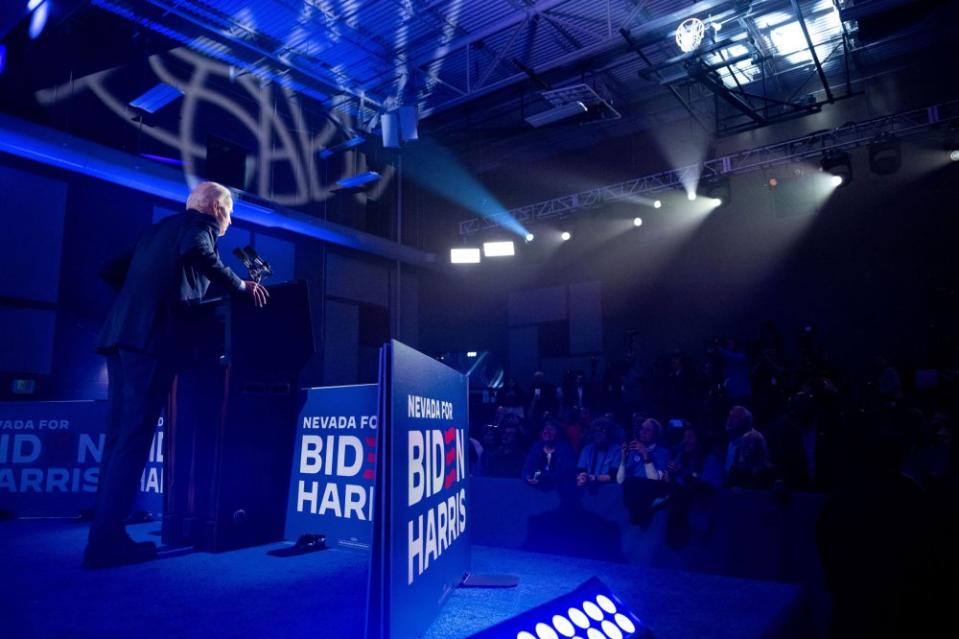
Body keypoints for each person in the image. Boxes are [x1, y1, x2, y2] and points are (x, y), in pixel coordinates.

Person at [85, 182, 268, 569]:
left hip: (120, 338)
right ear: (217, 208)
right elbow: (196, 252)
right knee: (132, 442)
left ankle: (103, 536)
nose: (230, 221)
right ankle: (107, 544)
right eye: (231, 213)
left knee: (119, 441)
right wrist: (239, 284)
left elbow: (110, 269)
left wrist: (143, 298)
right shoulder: (199, 228)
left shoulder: (157, 230)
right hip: (151, 343)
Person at [576, 418, 620, 489]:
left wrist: (594, 478)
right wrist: (581, 478)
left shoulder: (616, 449)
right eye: (596, 431)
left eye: (602, 431)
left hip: (610, 489)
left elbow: (614, 476)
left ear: (609, 434)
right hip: (589, 488)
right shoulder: (587, 449)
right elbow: (581, 470)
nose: (598, 434)